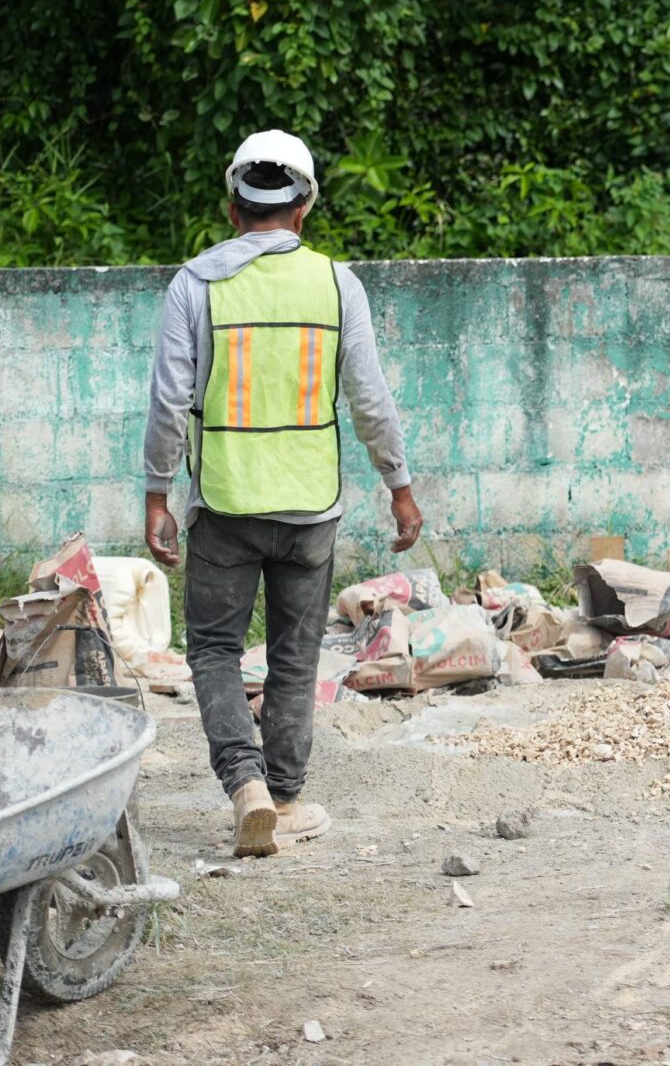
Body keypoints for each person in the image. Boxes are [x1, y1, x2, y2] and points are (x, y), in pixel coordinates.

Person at [142, 130, 423, 858]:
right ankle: (288, 796)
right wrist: (399, 485)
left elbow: (170, 402)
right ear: (303, 210)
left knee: (212, 649)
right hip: (311, 510)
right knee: (296, 657)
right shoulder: (336, 284)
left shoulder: (194, 284)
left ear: (233, 208)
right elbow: (370, 397)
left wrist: (156, 495)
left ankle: (247, 786)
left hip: (226, 507)